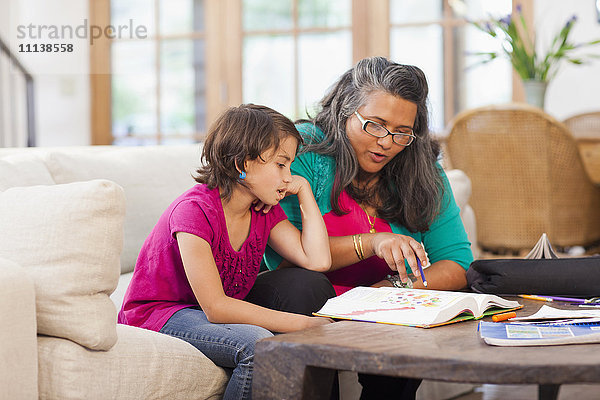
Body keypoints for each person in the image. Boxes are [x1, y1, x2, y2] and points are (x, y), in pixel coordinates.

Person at [257, 56, 474, 399]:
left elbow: (457, 262)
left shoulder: (422, 170)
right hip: (303, 295)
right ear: (346, 111)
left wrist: (391, 290)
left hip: (379, 298)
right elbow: (288, 257)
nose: (387, 142)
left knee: (412, 299)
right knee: (304, 283)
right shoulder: (303, 149)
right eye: (374, 124)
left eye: (403, 132)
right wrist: (371, 242)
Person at [118, 104, 333, 400]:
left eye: (291, 166)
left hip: (198, 312)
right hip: (159, 313)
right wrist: (304, 324)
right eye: (281, 165)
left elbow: (317, 260)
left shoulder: (261, 210)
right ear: (240, 164)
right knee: (257, 345)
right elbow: (217, 308)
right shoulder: (194, 212)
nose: (288, 177)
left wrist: (306, 191)